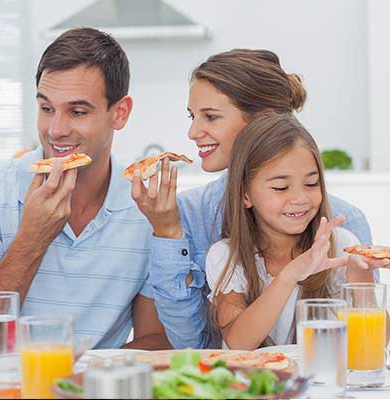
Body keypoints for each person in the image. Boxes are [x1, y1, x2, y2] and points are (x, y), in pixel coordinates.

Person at [0, 27, 170, 356]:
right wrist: (31, 240)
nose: (56, 130)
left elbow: (155, 341)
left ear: (119, 113)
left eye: (77, 112)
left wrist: (79, 378)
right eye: (46, 109)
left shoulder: (146, 211)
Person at [130, 49, 373, 349]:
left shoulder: (343, 225)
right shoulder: (187, 215)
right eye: (193, 116)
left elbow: (365, 342)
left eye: (211, 117)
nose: (193, 132)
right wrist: (167, 233)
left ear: (264, 121)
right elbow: (192, 345)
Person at [206, 112, 387, 349]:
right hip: (259, 384)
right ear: (245, 194)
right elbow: (239, 342)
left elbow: (372, 346)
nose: (300, 198)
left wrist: (359, 278)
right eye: (281, 187)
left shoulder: (340, 245)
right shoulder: (227, 255)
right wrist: (291, 274)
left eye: (311, 184)